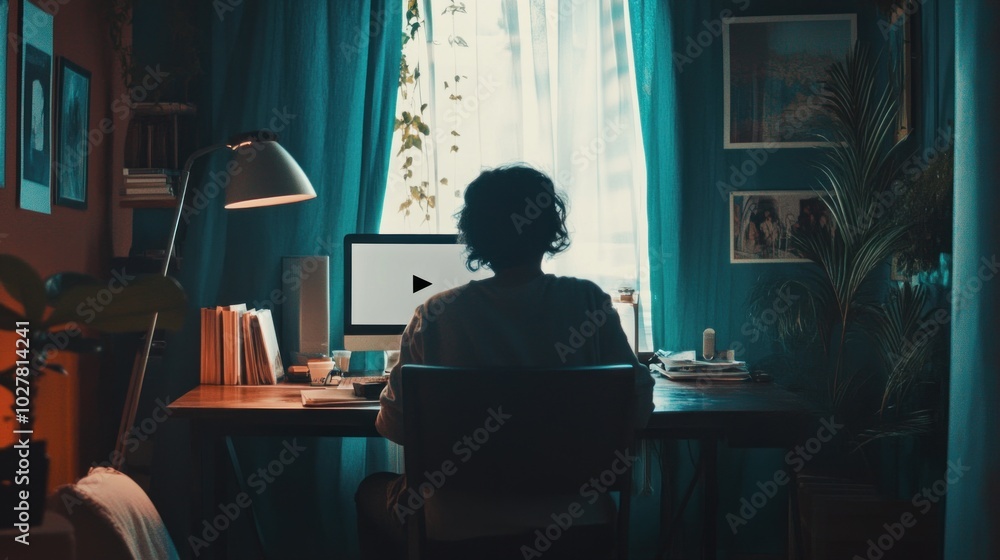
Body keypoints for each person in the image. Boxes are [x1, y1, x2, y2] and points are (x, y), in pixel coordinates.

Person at [355, 164, 655, 558]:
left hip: (457, 529)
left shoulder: (434, 315)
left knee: (370, 490)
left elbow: (396, 427)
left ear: (476, 238)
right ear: (549, 230)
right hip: (577, 523)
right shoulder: (588, 302)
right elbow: (636, 407)